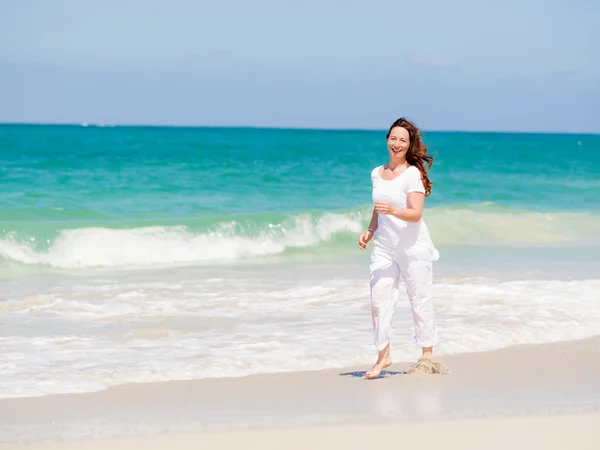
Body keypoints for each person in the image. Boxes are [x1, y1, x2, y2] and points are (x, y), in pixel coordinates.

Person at [358, 117, 440, 380]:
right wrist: (370, 230)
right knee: (378, 299)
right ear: (387, 140)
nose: (397, 144)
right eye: (393, 138)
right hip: (384, 245)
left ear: (409, 144)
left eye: (403, 140)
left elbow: (416, 214)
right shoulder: (376, 173)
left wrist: (394, 210)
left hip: (412, 245)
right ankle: (383, 356)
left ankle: (426, 356)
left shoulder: (412, 174)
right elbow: (378, 206)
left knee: (419, 298)